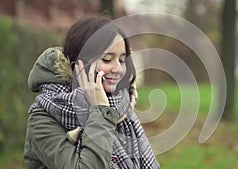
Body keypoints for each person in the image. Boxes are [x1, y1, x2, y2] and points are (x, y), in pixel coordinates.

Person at [24, 15, 160, 169]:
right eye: (107, 59)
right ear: (79, 64)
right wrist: (100, 112)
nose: (118, 70)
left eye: (122, 60)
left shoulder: (121, 106)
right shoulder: (43, 118)